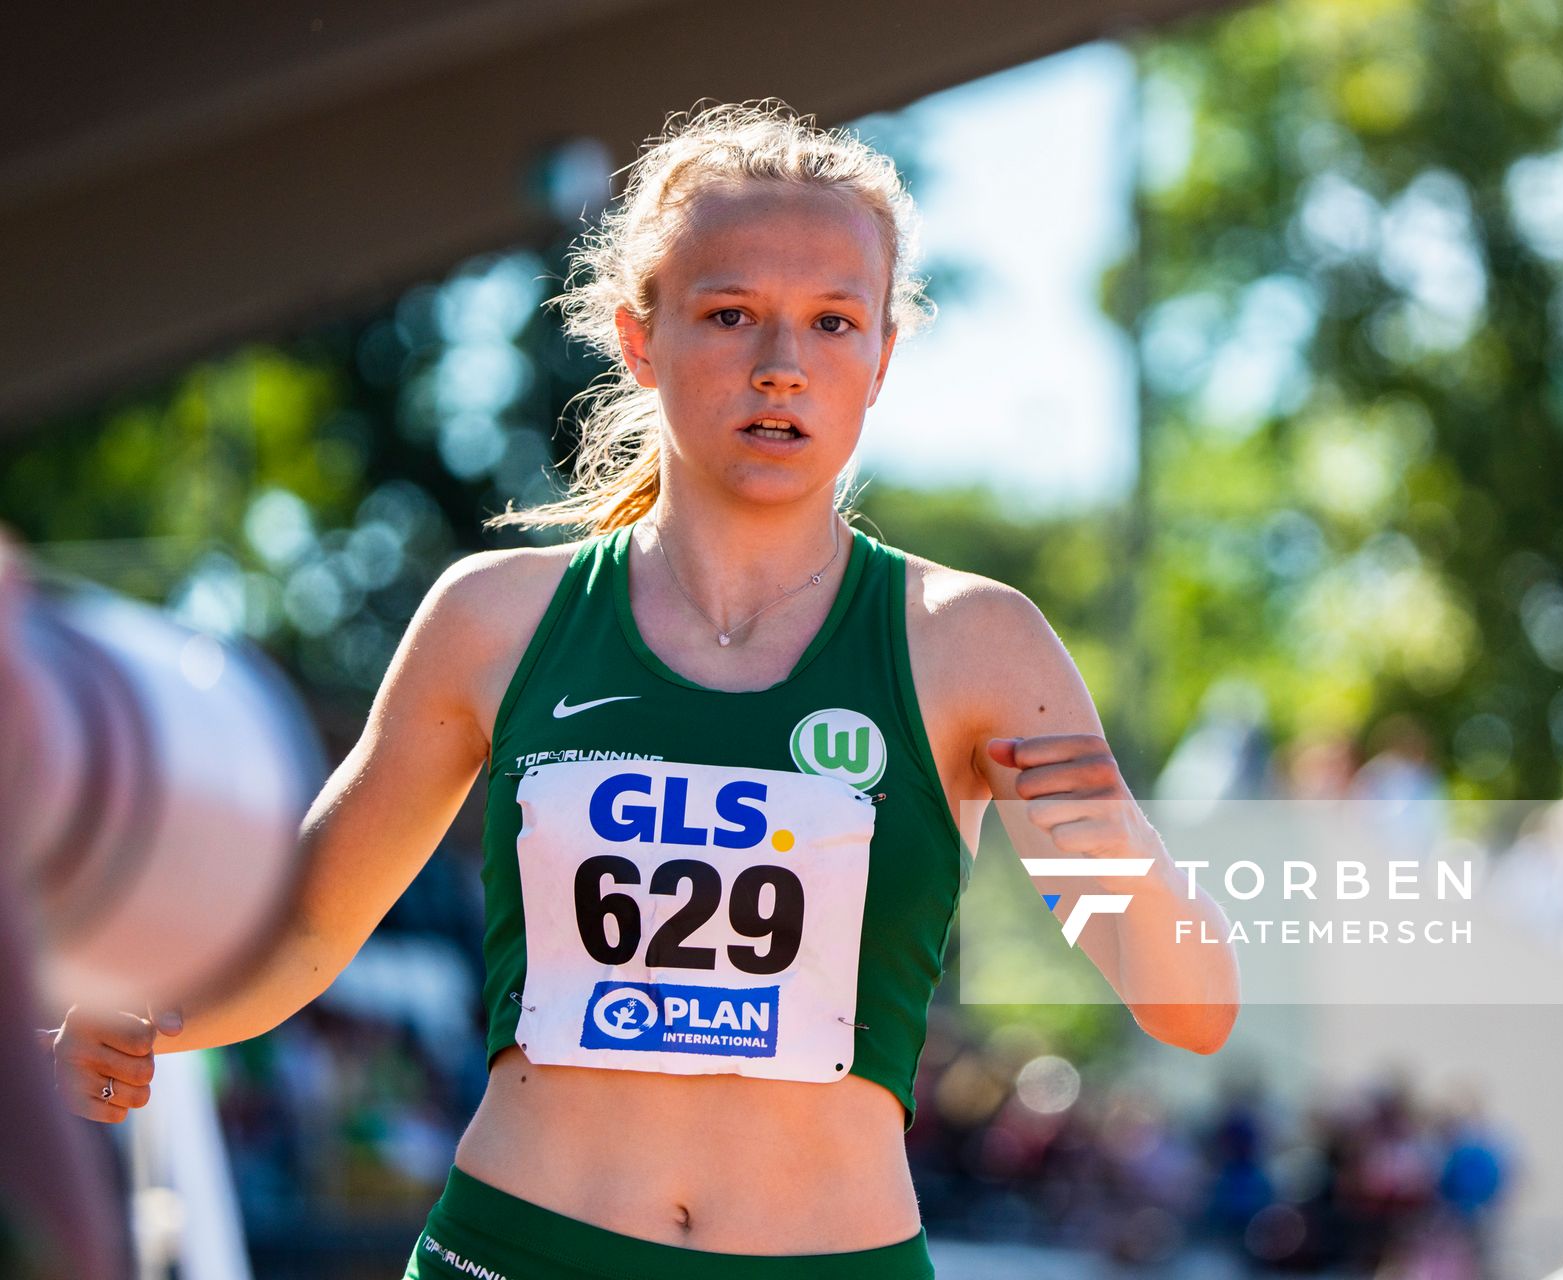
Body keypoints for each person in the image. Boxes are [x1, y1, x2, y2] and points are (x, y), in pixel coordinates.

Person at [47, 100, 1239, 1278]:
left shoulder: (976, 645)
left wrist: (1117, 854)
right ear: (637, 336)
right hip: (516, 1248)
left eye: (832, 322)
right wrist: (146, 1016)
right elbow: (306, 924)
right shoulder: (495, 618)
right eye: (732, 314)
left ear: (881, 357)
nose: (783, 366)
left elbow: (1192, 1010)